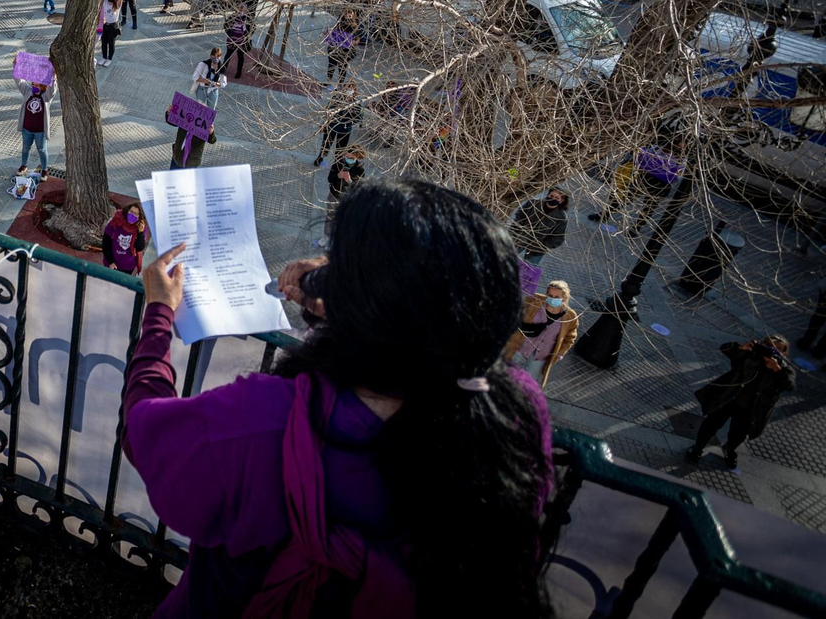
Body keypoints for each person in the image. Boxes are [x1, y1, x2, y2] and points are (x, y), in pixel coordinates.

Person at [122, 179, 554, 619]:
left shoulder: (264, 423)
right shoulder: (515, 410)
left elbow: (144, 432)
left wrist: (159, 313)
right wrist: (348, 294)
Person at [686, 336, 796, 468]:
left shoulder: (784, 369)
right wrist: (740, 348)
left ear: (784, 354)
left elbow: (789, 385)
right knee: (710, 425)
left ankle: (729, 449)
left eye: (777, 349)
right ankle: (697, 448)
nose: (772, 350)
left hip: (750, 409)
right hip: (729, 398)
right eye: (768, 345)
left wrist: (776, 369)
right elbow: (725, 348)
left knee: (738, 435)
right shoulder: (751, 355)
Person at [503, 282, 579, 387]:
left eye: (557, 297)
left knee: (527, 384)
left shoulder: (570, 316)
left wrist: (559, 354)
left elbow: (570, 337)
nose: (552, 299)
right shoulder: (535, 300)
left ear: (564, 298)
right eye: (550, 296)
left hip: (539, 358)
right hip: (519, 349)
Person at [508, 190, 569, 264]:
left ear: (561, 200)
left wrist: (543, 245)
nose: (553, 199)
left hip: (537, 249)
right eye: (551, 196)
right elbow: (520, 215)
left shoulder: (562, 217)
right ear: (548, 195)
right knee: (506, 258)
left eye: (557, 198)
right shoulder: (534, 203)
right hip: (520, 238)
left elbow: (558, 237)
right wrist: (516, 230)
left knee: (528, 268)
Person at [321, 147, 367, 246]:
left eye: (351, 158)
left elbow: (359, 187)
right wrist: (338, 176)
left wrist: (349, 181)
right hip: (334, 195)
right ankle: (326, 236)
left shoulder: (360, 170)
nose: (348, 159)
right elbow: (330, 179)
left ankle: (336, 239)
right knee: (330, 216)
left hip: (347, 198)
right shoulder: (338, 163)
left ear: (357, 157)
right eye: (347, 156)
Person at [314, 83, 362, 165]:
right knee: (326, 143)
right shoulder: (336, 98)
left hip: (345, 129)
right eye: (347, 88)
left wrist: (347, 120)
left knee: (341, 147)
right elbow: (328, 109)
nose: (348, 90)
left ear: (354, 91)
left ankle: (337, 162)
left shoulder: (356, 103)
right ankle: (320, 157)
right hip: (332, 126)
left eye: (350, 89)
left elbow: (358, 118)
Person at [102, 203, 149, 275]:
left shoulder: (140, 227)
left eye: (136, 214)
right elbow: (106, 243)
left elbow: (139, 248)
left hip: (128, 266)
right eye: (131, 212)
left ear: (140, 217)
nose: (132, 215)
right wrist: (110, 262)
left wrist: (140, 233)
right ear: (127, 210)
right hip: (112, 263)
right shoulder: (116, 221)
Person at [17, 79, 53, 172]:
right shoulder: (28, 92)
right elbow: (19, 82)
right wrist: (16, 67)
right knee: (25, 148)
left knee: (42, 150)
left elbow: (52, 89)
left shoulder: (46, 97)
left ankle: (44, 169)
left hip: (40, 131)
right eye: (33, 84)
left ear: (42, 87)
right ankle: (24, 165)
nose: (34, 87)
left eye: (37, 85)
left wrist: (54, 79)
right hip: (27, 129)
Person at [325, 10, 359, 84]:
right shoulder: (339, 23)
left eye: (351, 14)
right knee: (331, 66)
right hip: (334, 48)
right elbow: (332, 33)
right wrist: (328, 33)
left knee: (342, 68)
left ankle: (340, 83)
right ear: (344, 14)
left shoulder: (354, 26)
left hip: (345, 51)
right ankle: (328, 82)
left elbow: (357, 39)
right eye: (347, 13)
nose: (349, 15)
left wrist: (353, 42)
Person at [224, 6, 251, 78]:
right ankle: (223, 70)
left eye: (243, 9)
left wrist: (247, 36)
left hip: (241, 42)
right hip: (231, 40)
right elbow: (225, 25)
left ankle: (239, 72)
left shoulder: (248, 19)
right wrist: (229, 33)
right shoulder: (232, 17)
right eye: (240, 9)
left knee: (240, 56)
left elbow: (252, 28)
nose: (241, 11)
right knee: (228, 55)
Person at [97, 0, 122, 66]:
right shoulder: (105, 2)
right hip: (104, 25)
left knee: (111, 43)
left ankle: (109, 58)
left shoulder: (117, 4)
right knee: (103, 42)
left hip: (113, 26)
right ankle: (104, 57)